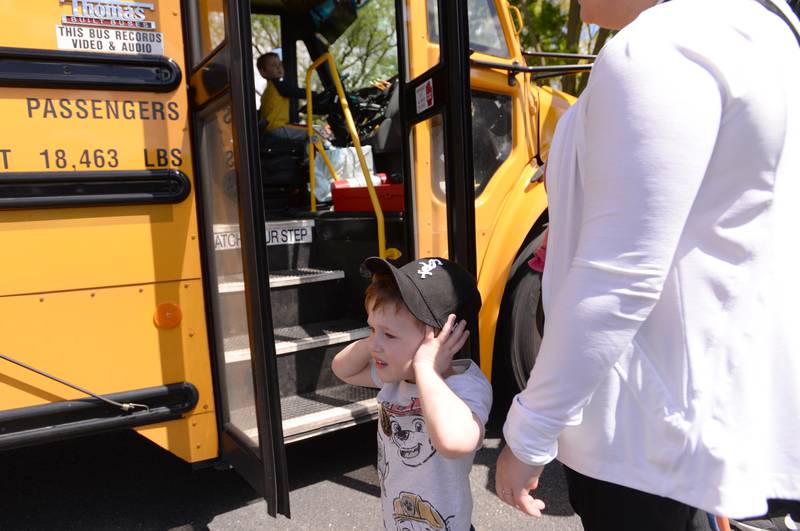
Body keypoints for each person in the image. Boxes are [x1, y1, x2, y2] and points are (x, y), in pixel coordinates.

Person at [495, 0, 800, 529]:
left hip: (640, 434)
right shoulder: (766, 38)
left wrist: (528, 432)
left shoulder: (659, 48)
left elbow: (619, 276)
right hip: (711, 420)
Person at [332, 257, 492, 531]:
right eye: (372, 329)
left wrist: (426, 370)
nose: (376, 344)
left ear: (443, 340)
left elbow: (454, 443)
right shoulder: (396, 377)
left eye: (390, 335)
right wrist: (377, 338)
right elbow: (342, 369)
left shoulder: (464, 386)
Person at [256, 52, 316, 144]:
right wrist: (315, 94)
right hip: (278, 127)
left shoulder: (268, 91)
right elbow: (295, 92)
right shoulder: (278, 86)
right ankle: (308, 158)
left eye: (280, 64)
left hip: (272, 129)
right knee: (314, 132)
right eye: (273, 65)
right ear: (263, 72)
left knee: (306, 131)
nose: (278, 67)